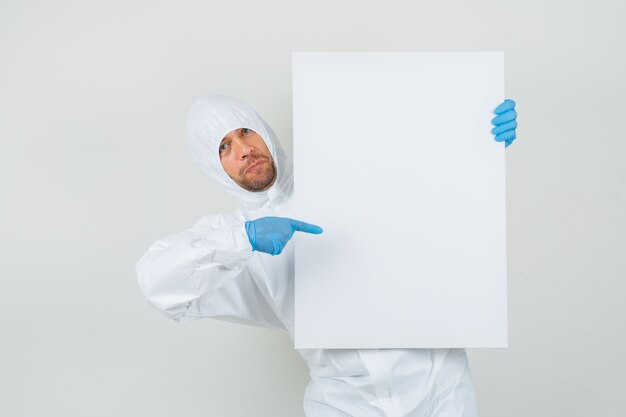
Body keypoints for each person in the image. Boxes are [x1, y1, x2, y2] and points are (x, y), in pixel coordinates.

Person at [136, 95, 518, 417]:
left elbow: (436, 189)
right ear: (213, 167)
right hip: (344, 404)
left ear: (264, 131)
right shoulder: (232, 241)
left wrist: (481, 146)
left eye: (245, 132)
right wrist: (244, 238)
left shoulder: (349, 172)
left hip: (440, 387)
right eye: (223, 147)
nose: (244, 150)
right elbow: (157, 283)